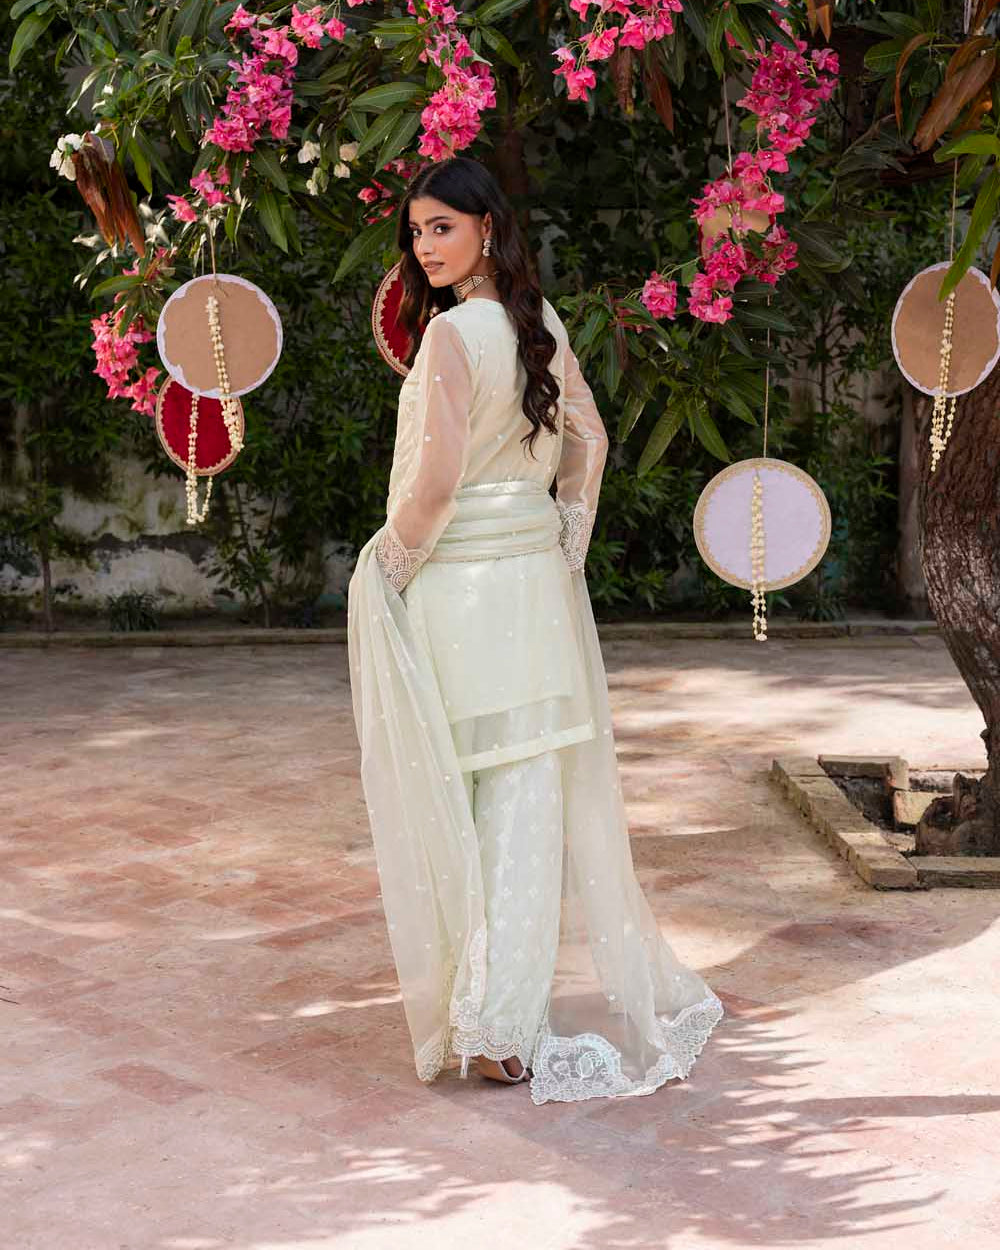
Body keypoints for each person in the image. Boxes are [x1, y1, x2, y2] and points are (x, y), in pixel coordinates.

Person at [347, 156, 724, 1106]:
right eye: (417, 231)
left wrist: (383, 568)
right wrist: (562, 545)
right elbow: (588, 443)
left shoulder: (451, 341)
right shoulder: (537, 324)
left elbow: (430, 492)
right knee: (521, 808)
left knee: (464, 807)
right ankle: (499, 1029)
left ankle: (491, 1024)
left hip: (460, 594)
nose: (427, 247)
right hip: (531, 596)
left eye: (443, 228)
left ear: (485, 227)